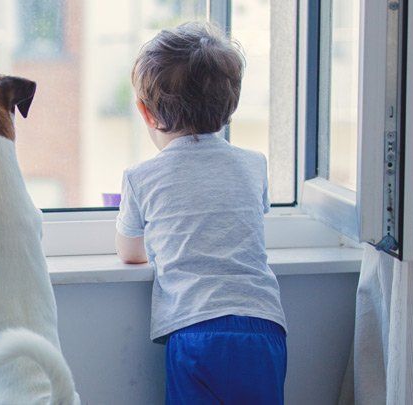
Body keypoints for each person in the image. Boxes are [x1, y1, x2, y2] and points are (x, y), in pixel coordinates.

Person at [115, 21, 287, 404]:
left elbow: (129, 251)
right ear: (230, 107)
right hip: (264, 326)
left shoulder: (142, 177)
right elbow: (246, 221)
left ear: (146, 112)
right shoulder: (253, 164)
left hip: (195, 329)